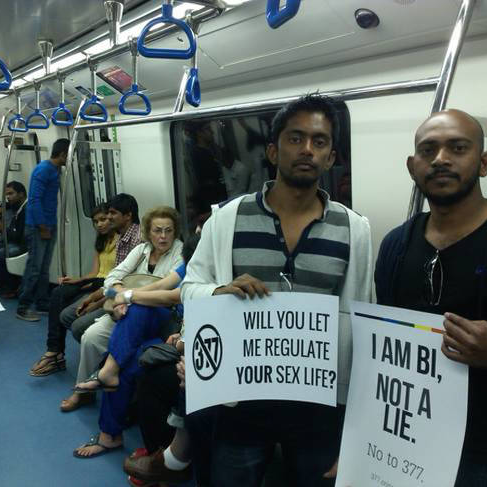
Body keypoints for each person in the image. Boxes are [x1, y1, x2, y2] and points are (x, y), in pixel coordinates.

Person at [181, 94, 373, 487]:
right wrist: (219, 292)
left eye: (319, 142)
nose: (307, 149)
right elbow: (189, 289)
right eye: (295, 138)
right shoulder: (228, 219)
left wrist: (357, 424)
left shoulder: (355, 229)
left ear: (331, 157)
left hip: (318, 406)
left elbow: (362, 320)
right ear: (272, 150)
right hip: (242, 399)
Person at [374, 109, 487, 487]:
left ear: (484, 162)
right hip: (412, 449)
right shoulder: (395, 246)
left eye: (457, 147)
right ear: (413, 167)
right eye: (428, 151)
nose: (441, 158)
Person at [72, 234, 199, 459]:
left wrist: (128, 296)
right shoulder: (187, 266)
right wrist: (121, 299)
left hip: (186, 341)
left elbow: (172, 296)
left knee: (128, 361)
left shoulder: (214, 278)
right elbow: (160, 286)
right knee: (128, 349)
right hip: (174, 331)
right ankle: (109, 377)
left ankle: (109, 431)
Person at [60, 206, 182, 413]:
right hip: (123, 307)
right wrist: (119, 294)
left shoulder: (180, 254)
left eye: (168, 231)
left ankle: (115, 386)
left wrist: (126, 296)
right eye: (157, 230)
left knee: (135, 349)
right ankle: (84, 393)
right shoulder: (141, 251)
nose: (163, 237)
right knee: (91, 337)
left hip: (155, 313)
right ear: (148, 232)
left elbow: (167, 290)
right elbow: (111, 278)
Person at [29, 203, 117, 377]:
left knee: (69, 298)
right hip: (96, 279)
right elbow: (94, 272)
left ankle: (57, 354)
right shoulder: (101, 241)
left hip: (108, 283)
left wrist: (90, 288)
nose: (99, 224)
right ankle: (55, 351)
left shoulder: (122, 242)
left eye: (103, 219)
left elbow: (113, 276)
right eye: (96, 221)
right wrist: (77, 280)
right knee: (58, 292)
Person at [53, 193, 142, 345]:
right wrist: (92, 298)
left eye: (112, 213)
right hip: (112, 290)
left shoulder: (138, 240)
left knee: (77, 326)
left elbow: (125, 285)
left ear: (127, 216)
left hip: (127, 298)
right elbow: (113, 280)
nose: (109, 218)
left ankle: (105, 353)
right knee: (64, 307)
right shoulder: (122, 237)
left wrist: (96, 303)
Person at [16, 138, 70, 322]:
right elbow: (34, 200)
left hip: (50, 224)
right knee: (34, 268)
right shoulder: (43, 170)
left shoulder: (56, 170)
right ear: (63, 154)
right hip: (39, 226)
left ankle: (41, 301)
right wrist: (42, 226)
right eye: (69, 154)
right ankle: (23, 307)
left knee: (44, 268)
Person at [0, 181, 27, 297]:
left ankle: (9, 288)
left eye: (11, 194)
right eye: (7, 195)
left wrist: (3, 230)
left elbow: (20, 237)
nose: (8, 197)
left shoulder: (26, 210)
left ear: (21, 194)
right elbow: (4, 204)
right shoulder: (19, 206)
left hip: (22, 245)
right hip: (13, 241)